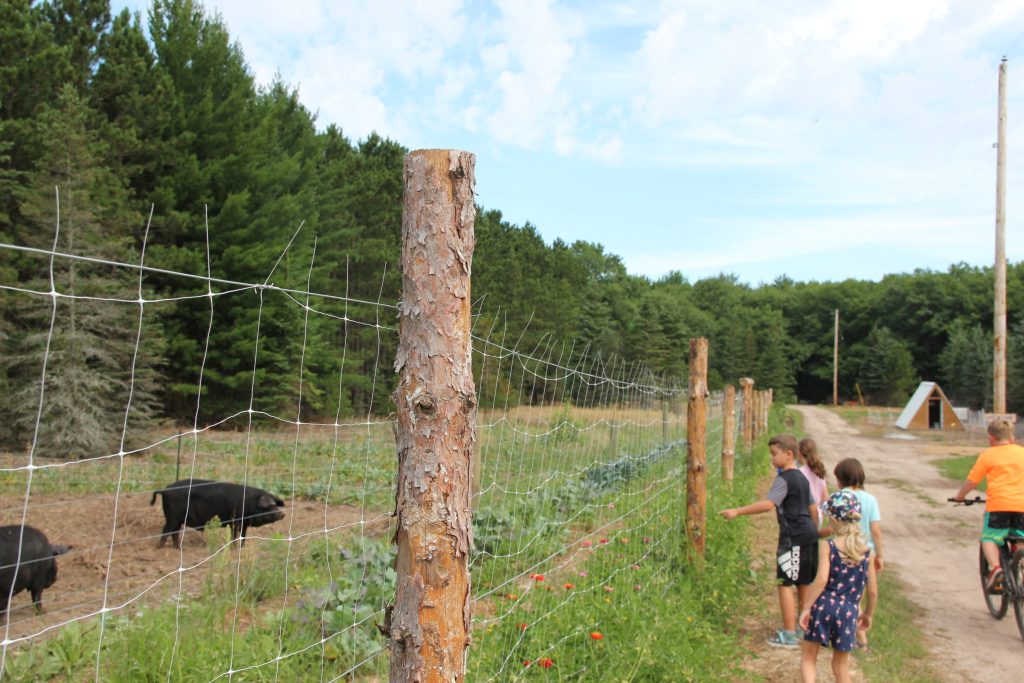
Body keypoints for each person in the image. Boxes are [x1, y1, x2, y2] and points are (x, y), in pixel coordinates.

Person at [721, 433, 819, 648]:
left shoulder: (784, 478)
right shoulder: (803, 477)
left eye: (774, 454)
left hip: (792, 537)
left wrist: (737, 511)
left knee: (785, 583)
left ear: (789, 454)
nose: (771, 459)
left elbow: (768, 504)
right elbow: (813, 508)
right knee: (804, 582)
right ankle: (805, 629)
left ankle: (789, 634)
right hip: (809, 535)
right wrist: (814, 531)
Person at [799, 490, 878, 683]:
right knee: (841, 666)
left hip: (824, 606)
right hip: (849, 612)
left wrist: (806, 607)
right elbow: (873, 591)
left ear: (834, 520)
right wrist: (867, 614)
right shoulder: (866, 552)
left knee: (809, 658)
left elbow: (821, 581)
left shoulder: (829, 546)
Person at [951, 418, 1024, 592]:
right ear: (1011, 437)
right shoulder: (1022, 453)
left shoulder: (988, 455)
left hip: (998, 506)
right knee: (1021, 539)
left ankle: (996, 569)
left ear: (991, 437)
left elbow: (972, 482)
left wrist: (960, 497)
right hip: (1022, 506)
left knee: (990, 538)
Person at [832, 457, 883, 651]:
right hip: (864, 553)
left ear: (840, 479)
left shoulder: (840, 497)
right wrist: (880, 555)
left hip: (844, 550)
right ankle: (859, 638)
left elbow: (833, 526)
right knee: (856, 596)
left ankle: (858, 638)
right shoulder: (871, 499)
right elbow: (876, 530)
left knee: (845, 596)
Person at [798, 437, 828, 527]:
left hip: (803, 515)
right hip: (818, 515)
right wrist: (822, 513)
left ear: (799, 453)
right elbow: (825, 497)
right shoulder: (819, 471)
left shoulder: (799, 472)